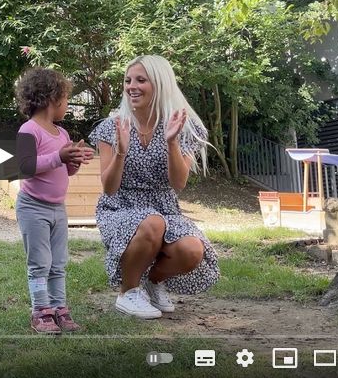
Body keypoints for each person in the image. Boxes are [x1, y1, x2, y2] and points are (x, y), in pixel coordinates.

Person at [87, 55, 220, 319]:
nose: (131, 87)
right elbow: (109, 189)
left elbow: (178, 183)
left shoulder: (183, 127)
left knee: (192, 250)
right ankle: (128, 292)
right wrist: (121, 151)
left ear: (159, 83)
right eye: (128, 81)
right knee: (152, 223)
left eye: (140, 80)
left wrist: (171, 143)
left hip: (165, 207)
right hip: (120, 207)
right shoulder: (112, 127)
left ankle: (152, 281)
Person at [14, 67, 95, 333]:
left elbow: (65, 170)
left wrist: (75, 160)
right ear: (52, 98)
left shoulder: (62, 134)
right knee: (40, 263)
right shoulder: (28, 130)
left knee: (58, 262)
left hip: (58, 209)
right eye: (66, 98)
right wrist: (59, 157)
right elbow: (25, 166)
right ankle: (40, 311)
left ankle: (59, 307)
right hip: (33, 207)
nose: (68, 104)